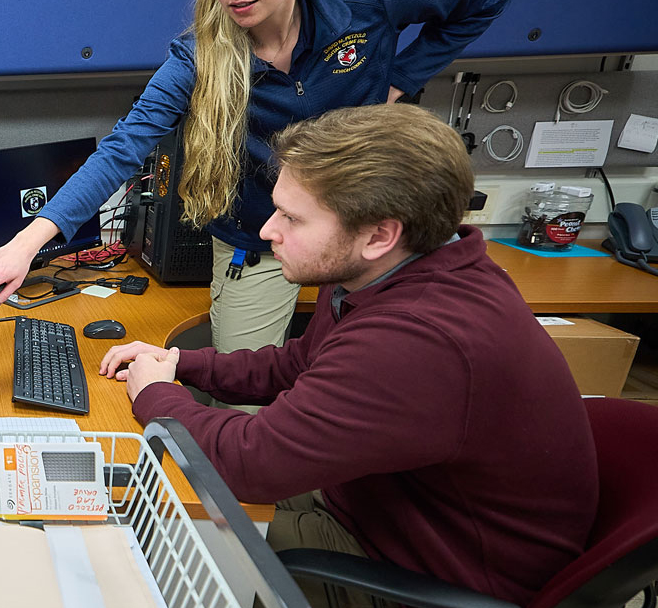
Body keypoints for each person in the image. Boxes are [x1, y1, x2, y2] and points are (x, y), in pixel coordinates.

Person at [0, 0, 519, 356]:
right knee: (247, 390)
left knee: (400, 368)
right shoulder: (198, 58)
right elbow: (121, 150)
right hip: (262, 238)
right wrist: (28, 243)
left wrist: (400, 78)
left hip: (377, 230)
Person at [98, 103, 598, 608]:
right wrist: (183, 365)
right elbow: (298, 364)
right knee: (135, 493)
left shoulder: (417, 338)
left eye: (292, 218)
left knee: (152, 544)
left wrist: (159, 396)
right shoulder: (383, 274)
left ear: (380, 235)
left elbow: (252, 462)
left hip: (425, 574)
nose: (269, 231)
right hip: (377, 502)